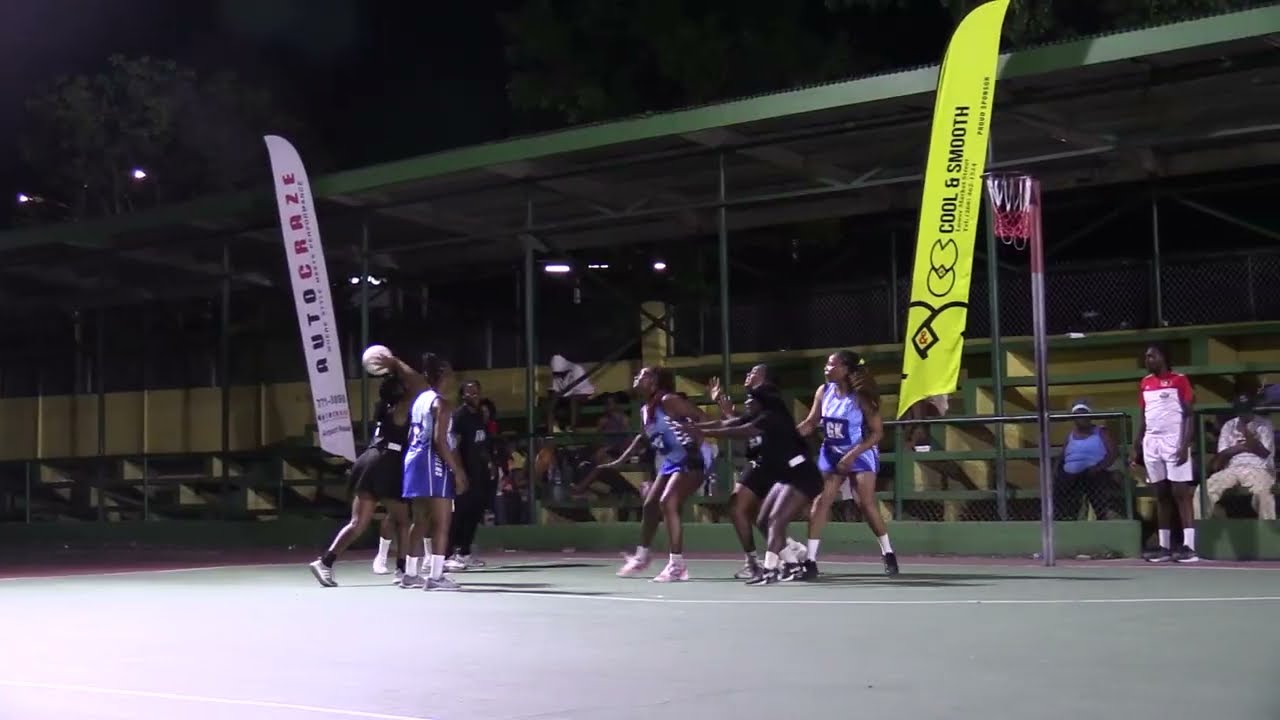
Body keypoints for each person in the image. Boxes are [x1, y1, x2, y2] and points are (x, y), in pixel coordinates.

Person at [681, 383, 823, 585]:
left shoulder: (772, 417)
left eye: (751, 399)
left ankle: (770, 570)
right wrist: (695, 428)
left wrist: (702, 433)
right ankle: (792, 565)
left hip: (802, 473)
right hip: (787, 475)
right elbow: (726, 424)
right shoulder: (758, 416)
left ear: (762, 401)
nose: (747, 402)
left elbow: (742, 431)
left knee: (776, 520)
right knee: (763, 520)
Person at [309, 364, 419, 587]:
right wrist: (395, 363)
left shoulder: (384, 409)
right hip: (385, 463)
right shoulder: (400, 409)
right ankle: (403, 572)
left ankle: (325, 562)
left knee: (358, 523)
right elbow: (417, 386)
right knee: (403, 521)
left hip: (369, 460)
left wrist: (394, 373)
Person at [794, 350, 896, 580]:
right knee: (821, 501)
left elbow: (877, 433)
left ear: (846, 369)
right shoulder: (824, 391)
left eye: (832, 365)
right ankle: (810, 560)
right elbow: (811, 422)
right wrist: (790, 436)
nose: (826, 368)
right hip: (832, 451)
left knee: (865, 503)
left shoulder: (861, 397)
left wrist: (851, 456)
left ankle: (888, 552)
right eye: (826, 364)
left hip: (860, 451)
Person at [606, 366, 706, 582]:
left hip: (689, 458)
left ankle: (677, 565)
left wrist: (695, 439)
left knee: (667, 502)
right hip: (671, 461)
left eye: (641, 375)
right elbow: (642, 438)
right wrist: (621, 460)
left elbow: (701, 417)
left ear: (653, 381)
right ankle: (642, 556)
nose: (636, 377)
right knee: (650, 504)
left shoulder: (669, 400)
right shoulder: (646, 409)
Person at [401, 353, 469, 590]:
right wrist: (457, 471)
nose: (453, 379)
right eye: (451, 375)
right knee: (442, 521)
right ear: (444, 376)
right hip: (431, 460)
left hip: (413, 460)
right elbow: (440, 441)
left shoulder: (419, 400)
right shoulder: (441, 403)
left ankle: (410, 574)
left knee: (420, 520)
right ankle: (436, 577)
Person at [1130, 344, 1197, 563]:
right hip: (1152, 442)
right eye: (1146, 356)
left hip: (1174, 441)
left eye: (1152, 356)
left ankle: (1189, 546)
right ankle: (1164, 546)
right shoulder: (1145, 383)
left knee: (1181, 493)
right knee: (1161, 494)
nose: (1147, 359)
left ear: (1163, 357)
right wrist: (1137, 445)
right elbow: (1144, 416)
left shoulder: (1180, 380)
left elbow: (1189, 415)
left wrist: (1184, 445)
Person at [445, 380, 494, 571]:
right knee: (459, 514)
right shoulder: (459, 416)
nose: (473, 396)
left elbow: (482, 443)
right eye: (468, 393)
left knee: (475, 513)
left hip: (479, 473)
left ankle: (465, 552)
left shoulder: (479, 416)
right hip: (465, 473)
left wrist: (489, 463)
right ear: (462, 395)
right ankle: (448, 554)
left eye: (476, 392)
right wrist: (459, 472)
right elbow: (454, 445)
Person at [1202, 393, 1275, 520]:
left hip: (1258, 468)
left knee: (1265, 494)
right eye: (1241, 410)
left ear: (1251, 408)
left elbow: (1266, 453)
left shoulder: (1263, 424)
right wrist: (1244, 446)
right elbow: (1223, 454)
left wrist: (1252, 442)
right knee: (1204, 490)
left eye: (1246, 409)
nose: (1243, 413)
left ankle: (1268, 530)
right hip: (1232, 468)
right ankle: (1201, 529)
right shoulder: (1229, 425)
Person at [1055, 400, 1121, 520]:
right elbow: (1062, 456)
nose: (1081, 418)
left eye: (1084, 414)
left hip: (1094, 472)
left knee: (1095, 482)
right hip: (1070, 475)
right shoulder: (1070, 435)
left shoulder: (1101, 432)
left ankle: (1104, 515)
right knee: (1061, 483)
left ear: (1089, 416)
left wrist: (1099, 467)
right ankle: (1066, 516)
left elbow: (1113, 453)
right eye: (1078, 415)